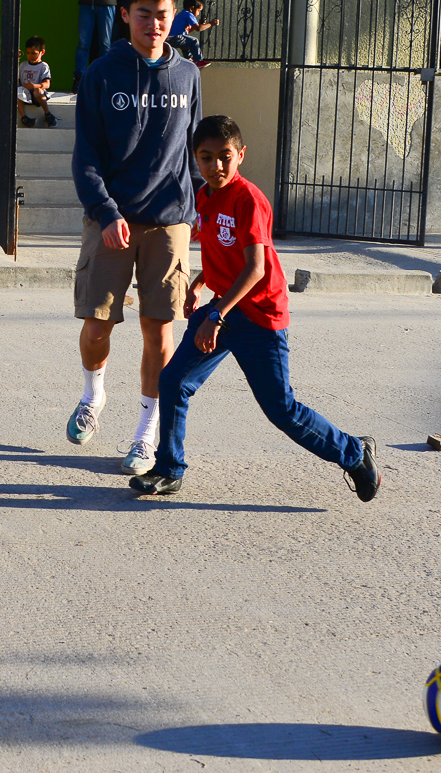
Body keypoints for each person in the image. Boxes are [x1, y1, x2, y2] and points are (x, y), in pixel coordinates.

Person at [129, 113, 381, 502]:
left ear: (241, 155)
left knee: (282, 410)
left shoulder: (249, 200)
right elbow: (219, 254)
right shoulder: (205, 196)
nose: (216, 166)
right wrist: (199, 284)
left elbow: (255, 267)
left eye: (224, 156)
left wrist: (216, 315)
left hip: (259, 317)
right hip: (224, 309)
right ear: (195, 159)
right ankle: (168, 469)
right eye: (206, 157)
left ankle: (355, 453)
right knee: (173, 381)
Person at [67, 0, 200, 475]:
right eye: (143, 14)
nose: (154, 24)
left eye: (162, 15)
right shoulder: (102, 73)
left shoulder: (187, 74)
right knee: (97, 325)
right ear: (125, 15)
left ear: (173, 18)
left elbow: (191, 152)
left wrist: (196, 216)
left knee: (158, 329)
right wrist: (104, 212)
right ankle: (92, 394)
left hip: (169, 220)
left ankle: (147, 432)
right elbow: (86, 155)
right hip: (111, 218)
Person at [171, 0, 220, 67]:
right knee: (193, 41)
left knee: (186, 45)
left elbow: (188, 31)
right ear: (192, 8)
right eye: (199, 11)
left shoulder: (183, 14)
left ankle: (189, 60)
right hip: (175, 37)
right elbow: (199, 29)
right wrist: (211, 24)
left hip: (170, 38)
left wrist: (197, 26)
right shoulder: (189, 14)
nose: (198, 14)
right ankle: (198, 60)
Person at [17, 35, 56, 128]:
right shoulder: (23, 65)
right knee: (18, 91)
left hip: (37, 94)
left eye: (34, 53)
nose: (30, 56)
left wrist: (35, 86)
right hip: (25, 95)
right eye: (28, 53)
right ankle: (24, 118)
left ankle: (48, 114)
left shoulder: (43, 66)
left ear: (42, 52)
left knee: (38, 92)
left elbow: (47, 84)